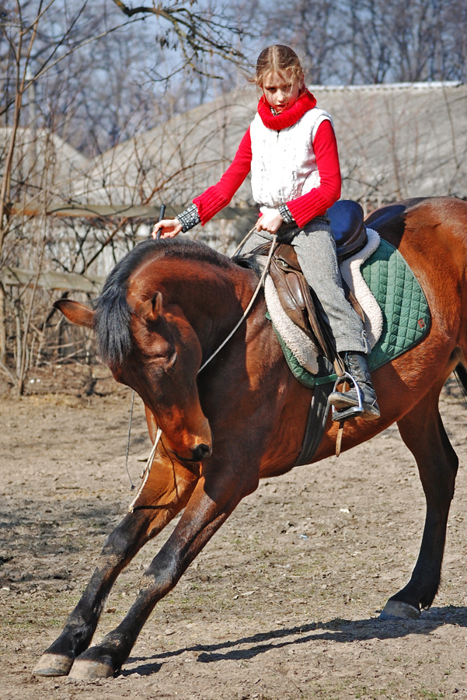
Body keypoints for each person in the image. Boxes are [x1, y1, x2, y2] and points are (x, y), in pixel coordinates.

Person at [152, 45, 379, 420]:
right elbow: (227, 186)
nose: (277, 97)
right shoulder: (256, 129)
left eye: (284, 87)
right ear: (260, 86)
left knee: (326, 288)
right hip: (267, 226)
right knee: (232, 282)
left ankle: (359, 386)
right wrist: (184, 220)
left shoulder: (317, 123)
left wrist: (287, 213)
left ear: (299, 78)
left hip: (309, 224)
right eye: (269, 89)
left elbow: (330, 189)